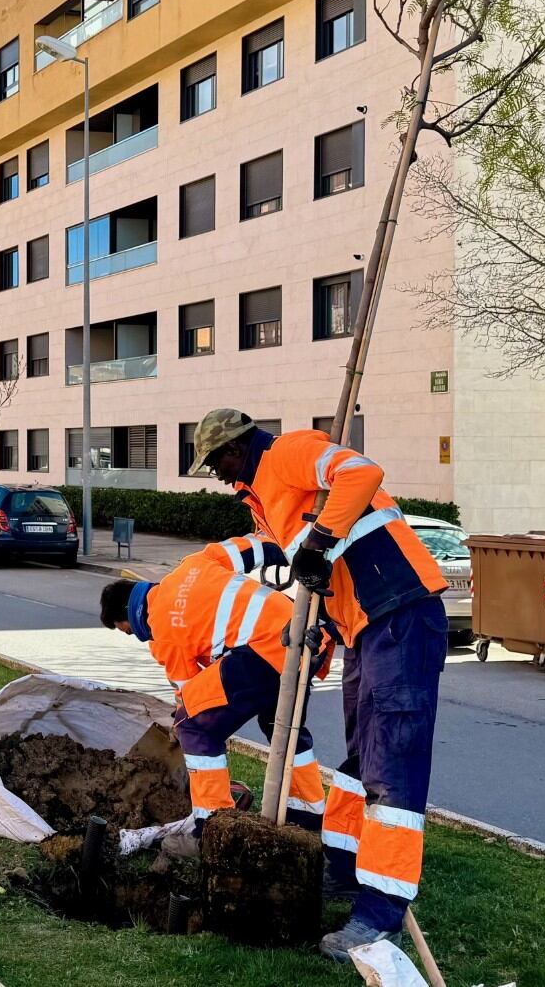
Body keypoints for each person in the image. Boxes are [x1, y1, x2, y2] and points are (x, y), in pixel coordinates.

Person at [187, 409, 449, 961]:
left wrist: (319, 541)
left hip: (400, 613)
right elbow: (327, 571)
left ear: (235, 449)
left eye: (216, 464)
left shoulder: (286, 454)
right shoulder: (265, 495)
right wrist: (322, 622)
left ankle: (380, 913)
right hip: (365, 626)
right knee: (358, 765)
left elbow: (362, 472)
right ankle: (344, 869)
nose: (219, 477)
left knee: (392, 770)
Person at [97, 538, 330, 845]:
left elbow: (191, 693)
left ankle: (213, 826)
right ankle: (308, 811)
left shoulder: (162, 631)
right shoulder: (192, 565)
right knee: (280, 725)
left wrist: (181, 722)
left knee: (195, 725)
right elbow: (252, 548)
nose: (130, 635)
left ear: (128, 617)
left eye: (124, 629)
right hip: (305, 634)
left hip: (268, 651)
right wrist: (290, 554)